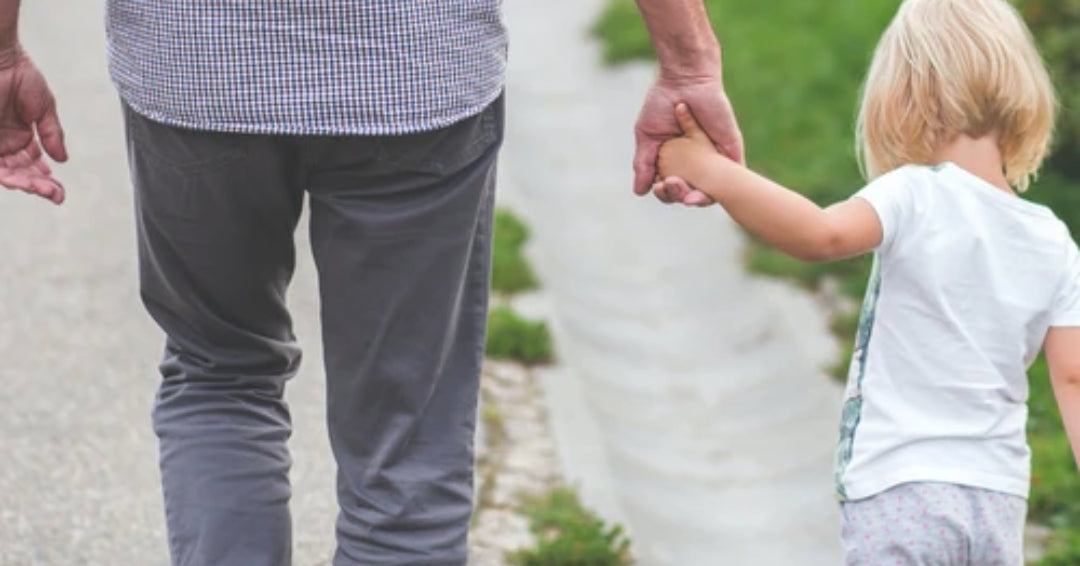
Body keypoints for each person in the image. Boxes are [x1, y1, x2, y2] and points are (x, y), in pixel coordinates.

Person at [0, 0, 742, 564]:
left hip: (195, 71)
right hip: (415, 72)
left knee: (219, 374)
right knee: (407, 435)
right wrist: (688, 64)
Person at [655, 0, 1080, 563]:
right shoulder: (1051, 238)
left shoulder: (914, 192)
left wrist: (713, 171)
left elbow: (819, 235)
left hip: (901, 487)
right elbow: (1072, 376)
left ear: (906, 94)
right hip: (996, 497)